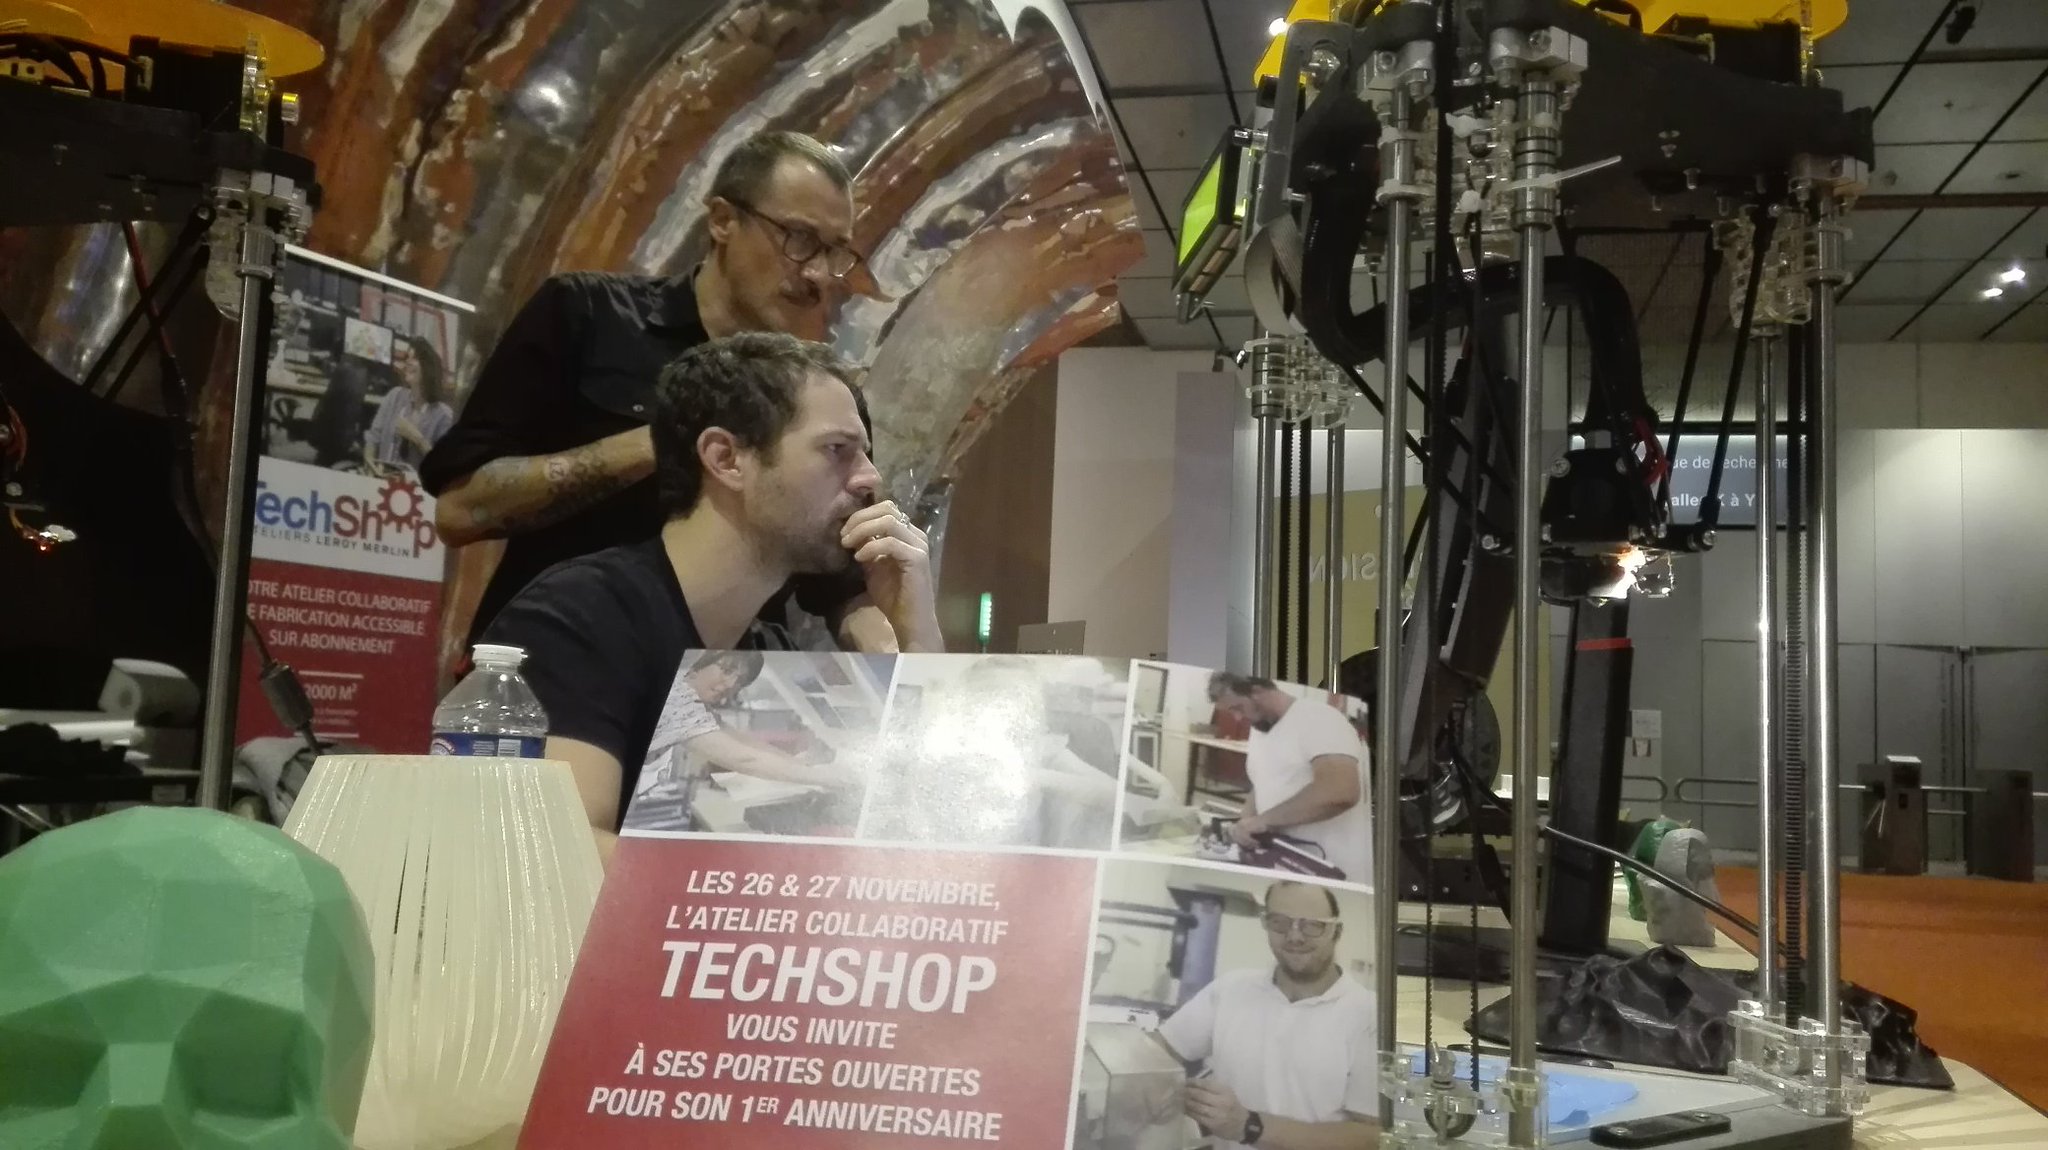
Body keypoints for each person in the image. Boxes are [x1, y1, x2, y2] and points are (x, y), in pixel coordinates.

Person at [420, 130, 901, 651]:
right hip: (555, 664)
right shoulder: (585, 315)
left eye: (835, 252)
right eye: (798, 238)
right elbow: (461, 510)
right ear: (722, 220)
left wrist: (905, 679)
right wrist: (666, 439)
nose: (817, 275)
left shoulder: (821, 390)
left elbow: (845, 589)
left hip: (726, 691)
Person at [480, 333, 941, 864]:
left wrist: (917, 632)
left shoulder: (771, 650)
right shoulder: (576, 619)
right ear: (726, 459)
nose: (869, 479)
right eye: (837, 450)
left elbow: (928, 822)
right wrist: (775, 884)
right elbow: (564, 850)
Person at [1152, 881, 1378, 1150]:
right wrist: (1155, 1088)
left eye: (1312, 924)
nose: (1294, 936)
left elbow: (1372, 1136)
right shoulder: (1231, 989)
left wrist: (1250, 1126)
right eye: (1279, 922)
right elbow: (1158, 1049)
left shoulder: (1368, 1015)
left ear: (1336, 932)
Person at [632, 649, 861, 829]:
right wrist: (827, 778)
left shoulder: (689, 698)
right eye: (726, 670)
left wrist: (801, 765)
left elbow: (742, 740)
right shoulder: (678, 701)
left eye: (740, 680)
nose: (731, 685)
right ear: (697, 666)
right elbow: (744, 759)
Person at [1207, 672, 1372, 883]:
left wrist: (1264, 821)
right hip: (1285, 864)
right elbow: (1262, 782)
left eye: (1238, 708)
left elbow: (1340, 791)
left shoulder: (1318, 719)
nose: (1238, 718)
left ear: (1257, 691)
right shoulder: (1261, 729)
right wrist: (1244, 824)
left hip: (1330, 867)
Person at [363, 333, 455, 474]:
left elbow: (444, 466)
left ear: (429, 368)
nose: (408, 362)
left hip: (415, 492)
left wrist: (418, 439)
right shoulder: (394, 396)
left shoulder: (443, 416)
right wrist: (370, 467)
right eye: (407, 358)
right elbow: (373, 438)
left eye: (415, 358)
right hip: (381, 483)